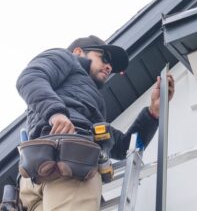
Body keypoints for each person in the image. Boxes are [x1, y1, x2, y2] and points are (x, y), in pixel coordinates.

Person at [16, 35, 175, 210]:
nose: (109, 66)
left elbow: (124, 148)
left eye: (111, 66)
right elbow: (30, 77)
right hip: (70, 165)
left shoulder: (89, 105)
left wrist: (153, 113)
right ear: (78, 52)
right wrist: (56, 113)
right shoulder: (65, 57)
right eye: (104, 58)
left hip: (38, 172)